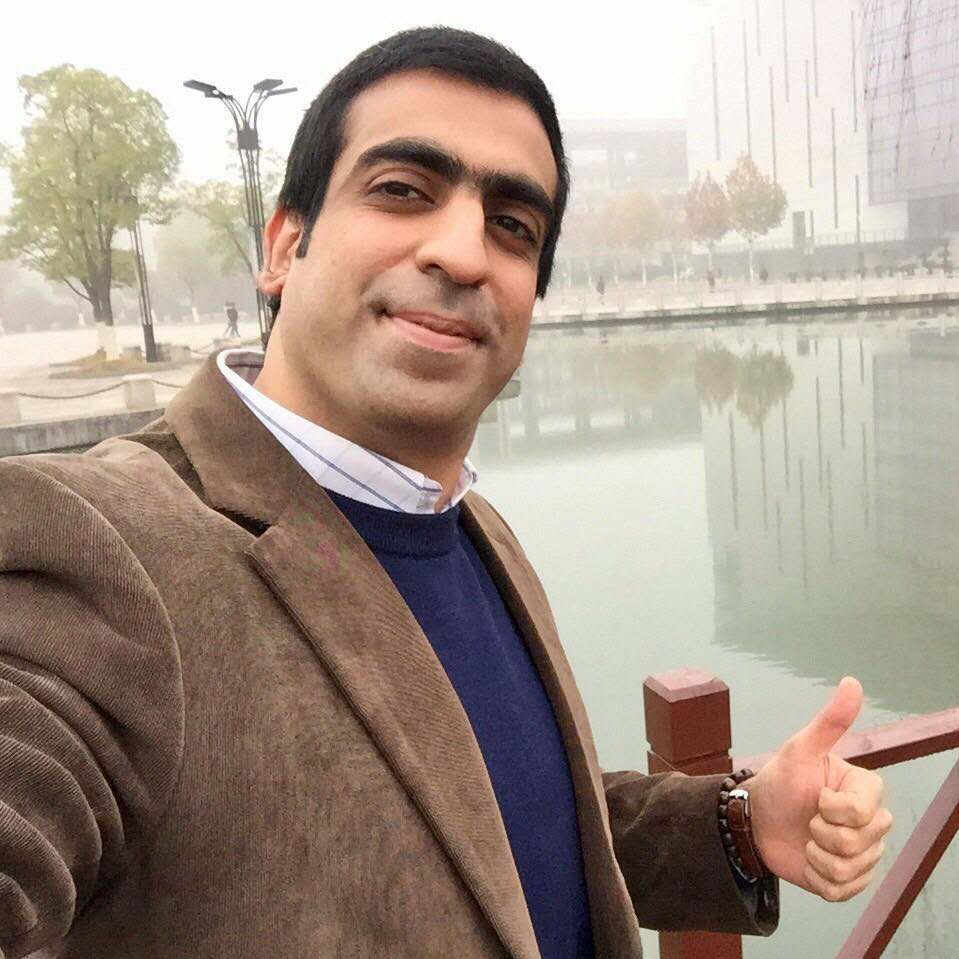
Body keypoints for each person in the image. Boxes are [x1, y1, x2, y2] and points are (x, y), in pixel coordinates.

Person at [0, 27, 891, 959]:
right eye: (402, 190)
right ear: (285, 245)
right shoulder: (101, 545)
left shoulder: (468, 527)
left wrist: (737, 824)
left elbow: (493, 825)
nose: (464, 254)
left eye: (512, 226)